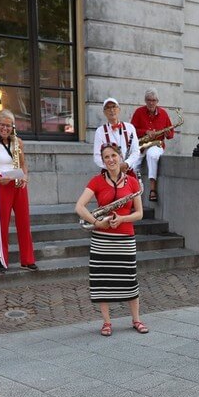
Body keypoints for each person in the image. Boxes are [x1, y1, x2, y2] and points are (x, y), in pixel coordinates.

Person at [75, 142, 147, 336]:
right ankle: (107, 322)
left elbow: (139, 213)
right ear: (103, 160)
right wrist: (97, 223)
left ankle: (136, 320)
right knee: (101, 280)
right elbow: (79, 207)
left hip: (125, 237)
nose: (110, 160)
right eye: (106, 157)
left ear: (120, 157)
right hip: (102, 238)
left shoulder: (132, 182)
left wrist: (122, 218)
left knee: (129, 279)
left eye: (113, 156)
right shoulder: (96, 181)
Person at [0, 110, 36, 272]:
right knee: (2, 223)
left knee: (24, 222)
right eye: (2, 125)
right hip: (2, 183)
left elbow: (23, 164)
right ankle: (1, 260)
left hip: (18, 183)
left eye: (8, 125)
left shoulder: (18, 141)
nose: (5, 128)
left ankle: (27, 260)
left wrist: (25, 176)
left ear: (13, 126)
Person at [130, 89, 175, 202]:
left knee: (152, 155)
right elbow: (131, 130)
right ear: (145, 101)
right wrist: (145, 132)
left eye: (154, 100)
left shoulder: (163, 113)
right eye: (149, 100)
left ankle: (152, 189)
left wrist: (167, 133)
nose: (151, 103)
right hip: (141, 145)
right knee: (132, 166)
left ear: (157, 101)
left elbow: (171, 135)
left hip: (156, 144)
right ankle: (133, 195)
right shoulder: (139, 112)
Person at [93, 98, 141, 176]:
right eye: (108, 108)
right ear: (104, 112)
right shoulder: (100, 131)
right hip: (109, 172)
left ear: (119, 109)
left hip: (127, 171)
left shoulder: (130, 128)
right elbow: (97, 156)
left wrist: (127, 163)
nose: (111, 110)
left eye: (114, 107)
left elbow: (136, 151)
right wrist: (113, 167)